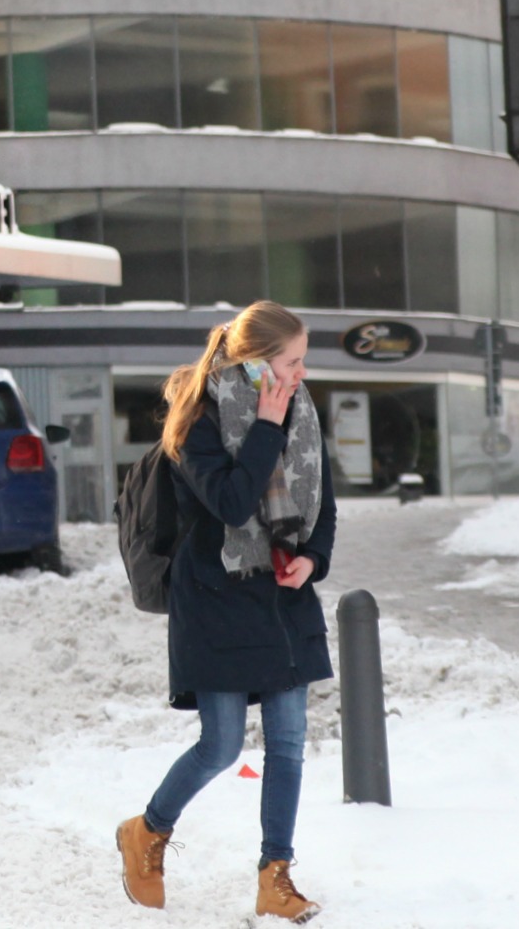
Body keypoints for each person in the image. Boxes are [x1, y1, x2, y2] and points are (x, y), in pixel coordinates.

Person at [115, 301, 335, 922]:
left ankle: (276, 878)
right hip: (214, 598)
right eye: (290, 363)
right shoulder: (196, 423)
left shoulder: (300, 411)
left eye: (301, 361)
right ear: (256, 365)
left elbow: (325, 502)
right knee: (221, 745)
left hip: (280, 598)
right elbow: (235, 503)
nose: (300, 374)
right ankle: (147, 831)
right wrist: (266, 424)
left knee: (289, 742)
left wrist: (311, 560)